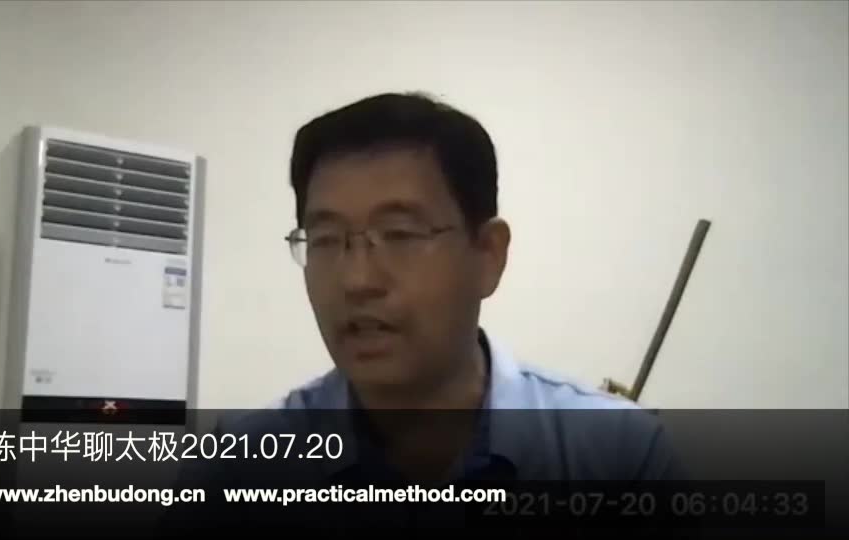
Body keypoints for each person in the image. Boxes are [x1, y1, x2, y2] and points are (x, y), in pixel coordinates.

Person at [159, 92, 683, 532]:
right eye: (326, 239)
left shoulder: (617, 454)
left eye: (401, 235)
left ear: (488, 255)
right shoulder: (240, 466)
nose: (357, 279)